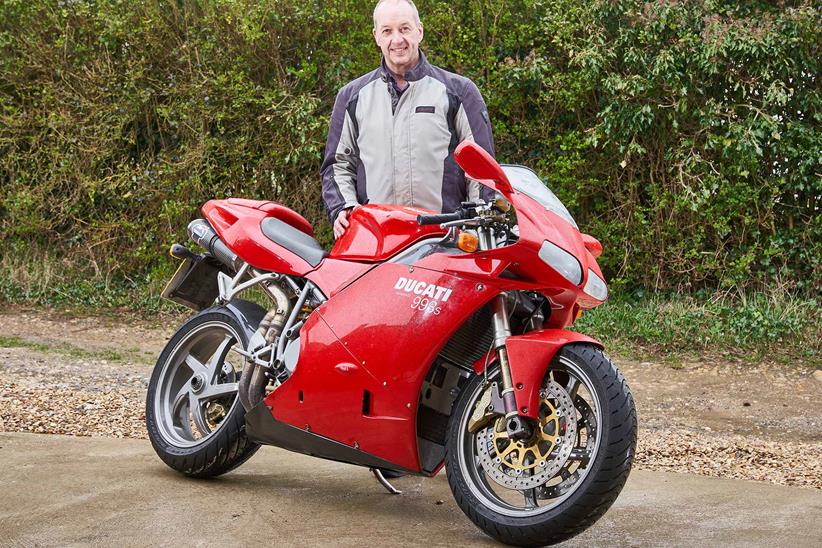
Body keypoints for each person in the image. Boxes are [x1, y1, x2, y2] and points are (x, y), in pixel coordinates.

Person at [321, 0, 496, 239]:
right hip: (376, 240)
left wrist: (478, 226)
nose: (397, 39)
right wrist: (344, 206)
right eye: (387, 31)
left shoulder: (459, 92)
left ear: (419, 31)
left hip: (444, 238)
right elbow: (337, 164)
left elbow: (482, 169)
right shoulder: (351, 97)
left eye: (404, 29)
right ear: (376, 37)